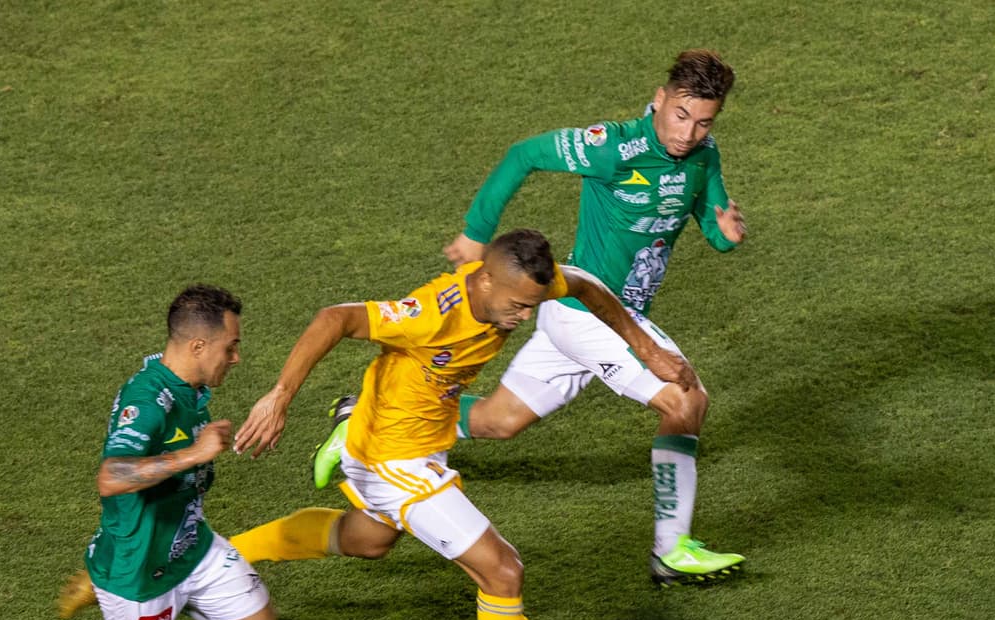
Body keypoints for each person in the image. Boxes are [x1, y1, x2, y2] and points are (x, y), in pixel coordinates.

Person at [232, 230, 695, 620]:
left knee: (366, 539)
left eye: (531, 306)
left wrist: (647, 349)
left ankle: (223, 557)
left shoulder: (520, 286)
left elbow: (586, 286)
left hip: (422, 443)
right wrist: (278, 397)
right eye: (518, 306)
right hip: (392, 457)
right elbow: (334, 317)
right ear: (486, 278)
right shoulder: (431, 312)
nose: (523, 318)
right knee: (501, 570)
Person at [313, 50, 746, 586]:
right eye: (681, 115)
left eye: (704, 121)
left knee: (500, 421)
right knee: (685, 399)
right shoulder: (613, 147)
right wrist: (477, 231)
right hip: (586, 309)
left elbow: (709, 216)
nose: (688, 132)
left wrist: (724, 234)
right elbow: (523, 155)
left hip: (595, 317)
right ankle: (671, 549)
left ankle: (362, 419)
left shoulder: (704, 155)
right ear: (660, 100)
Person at [74, 284, 276, 620]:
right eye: (232, 347)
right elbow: (111, 476)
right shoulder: (146, 403)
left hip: (189, 547)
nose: (237, 357)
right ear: (198, 346)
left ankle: (163, 604)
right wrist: (193, 455)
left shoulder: (190, 385)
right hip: (140, 571)